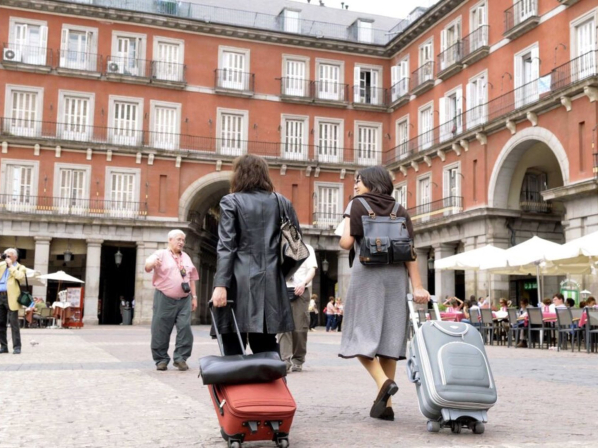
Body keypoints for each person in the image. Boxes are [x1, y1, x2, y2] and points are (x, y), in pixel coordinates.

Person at [339, 166, 430, 422]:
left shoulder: (356, 204)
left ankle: (383, 382)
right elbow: (410, 251)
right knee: (390, 339)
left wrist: (347, 221)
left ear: (371, 181)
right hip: (396, 278)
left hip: (368, 275)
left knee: (359, 334)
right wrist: (418, 286)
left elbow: (346, 243)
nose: (356, 185)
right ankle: (386, 406)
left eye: (359, 181)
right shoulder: (400, 210)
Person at [211, 155, 299, 356]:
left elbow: (226, 246)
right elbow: (297, 249)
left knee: (233, 345)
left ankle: (238, 378)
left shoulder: (230, 201)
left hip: (236, 284)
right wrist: (279, 273)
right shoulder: (282, 202)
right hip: (270, 285)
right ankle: (271, 376)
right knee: (267, 348)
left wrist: (221, 284)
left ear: (239, 175)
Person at [145, 229, 199, 371]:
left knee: (185, 328)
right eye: (178, 239)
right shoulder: (161, 254)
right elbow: (148, 264)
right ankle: (161, 359)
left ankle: (180, 358)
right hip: (164, 298)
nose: (181, 242)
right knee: (160, 329)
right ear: (170, 240)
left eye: (183, 240)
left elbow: (191, 279)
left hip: (184, 299)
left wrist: (194, 297)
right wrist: (152, 263)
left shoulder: (186, 257)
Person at [279, 243, 318, 373]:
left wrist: (303, 283)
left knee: (299, 328)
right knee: (283, 328)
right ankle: (285, 359)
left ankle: (298, 359)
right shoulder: (280, 248)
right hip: (282, 289)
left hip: (300, 290)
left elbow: (312, 269)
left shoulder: (307, 248)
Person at [0, 248, 26, 354]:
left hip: (12, 298)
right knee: (1, 323)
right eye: (6, 256)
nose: (7, 258)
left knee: (14, 323)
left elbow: (20, 277)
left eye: (9, 256)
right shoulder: (1, 265)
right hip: (0, 296)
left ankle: (17, 347)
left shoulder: (20, 267)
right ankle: (3, 346)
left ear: (15, 257)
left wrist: (11, 266)